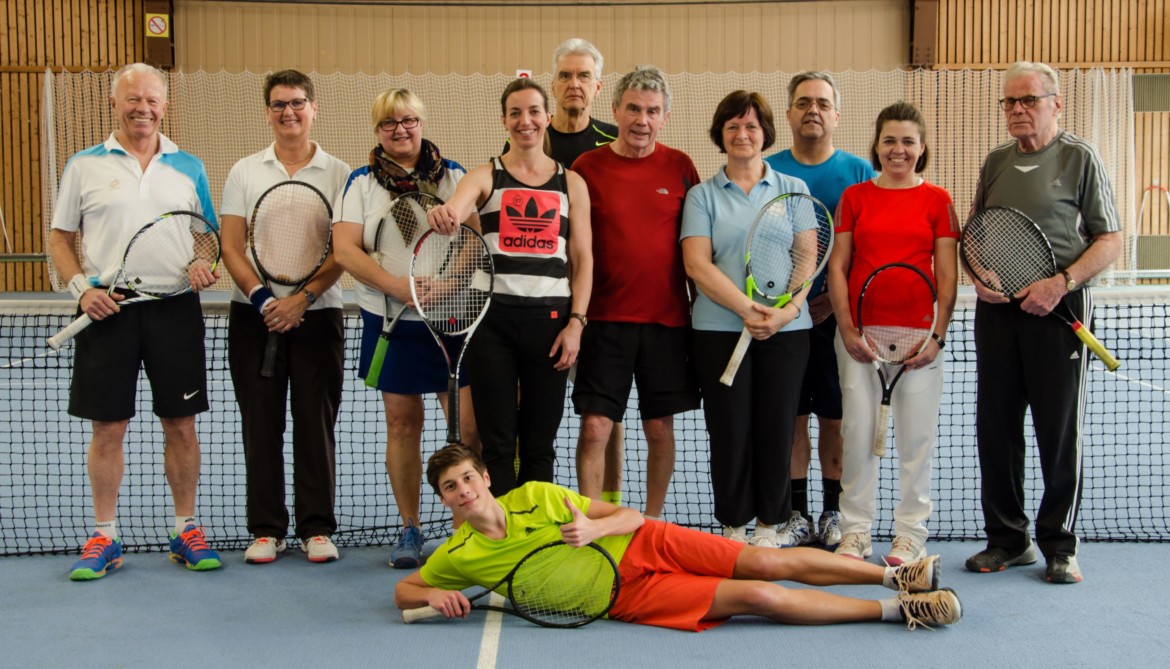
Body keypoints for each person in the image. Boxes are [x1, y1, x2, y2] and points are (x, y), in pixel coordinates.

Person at [394, 444, 962, 631]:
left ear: (486, 478)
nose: (464, 490)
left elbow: (632, 515)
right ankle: (896, 610)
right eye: (450, 487)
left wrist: (593, 525)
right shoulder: (457, 556)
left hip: (646, 544)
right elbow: (405, 591)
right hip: (623, 598)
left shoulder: (537, 494)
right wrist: (429, 594)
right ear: (443, 500)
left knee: (764, 563)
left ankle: (894, 574)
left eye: (468, 477)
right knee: (759, 598)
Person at [47, 63, 222, 580]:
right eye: (132, 99)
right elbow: (60, 238)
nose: (142, 107)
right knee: (108, 428)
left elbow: (208, 237)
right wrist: (83, 291)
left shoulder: (188, 165)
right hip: (108, 311)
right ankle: (105, 535)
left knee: (182, 425)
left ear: (165, 106)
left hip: (174, 310)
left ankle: (185, 528)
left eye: (151, 99)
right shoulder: (83, 165)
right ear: (114, 103)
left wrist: (203, 264)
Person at [965, 61, 1122, 584]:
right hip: (998, 314)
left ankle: (1059, 544)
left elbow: (1110, 239)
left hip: (1060, 312)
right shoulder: (995, 162)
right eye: (1009, 102)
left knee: (1057, 431)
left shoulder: (1080, 158)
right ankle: (1008, 541)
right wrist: (982, 275)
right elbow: (977, 233)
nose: (1017, 110)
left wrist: (1061, 283)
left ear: (1056, 103)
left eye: (1028, 100)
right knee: (996, 428)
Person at [334, 88, 480, 569]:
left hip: (450, 317)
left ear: (421, 122)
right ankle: (410, 527)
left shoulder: (454, 176)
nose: (400, 130)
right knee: (402, 423)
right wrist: (397, 285)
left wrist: (447, 285)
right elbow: (346, 250)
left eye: (408, 120)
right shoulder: (360, 183)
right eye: (388, 123)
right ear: (377, 130)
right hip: (391, 319)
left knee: (464, 429)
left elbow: (473, 242)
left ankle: (465, 529)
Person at [427, 78, 593, 497]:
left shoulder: (571, 183)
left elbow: (584, 259)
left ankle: (534, 538)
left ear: (547, 117)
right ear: (504, 120)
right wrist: (448, 213)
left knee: (540, 446)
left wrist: (576, 323)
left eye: (534, 111)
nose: (526, 121)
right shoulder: (486, 176)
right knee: (497, 446)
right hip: (492, 325)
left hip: (551, 326)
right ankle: (503, 536)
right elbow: (461, 204)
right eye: (516, 113)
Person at [219, 70, 350, 565]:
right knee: (261, 423)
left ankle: (316, 528)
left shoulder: (340, 173)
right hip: (254, 318)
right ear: (267, 111)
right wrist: (261, 299)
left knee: (316, 425)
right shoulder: (245, 171)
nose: (288, 112)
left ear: (314, 108)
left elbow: (346, 249)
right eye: (278, 104)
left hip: (319, 317)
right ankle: (266, 529)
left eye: (297, 103)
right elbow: (231, 245)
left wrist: (303, 299)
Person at [826, 101, 958, 566]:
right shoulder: (855, 198)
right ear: (876, 145)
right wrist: (847, 329)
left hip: (920, 339)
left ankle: (909, 535)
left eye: (907, 141)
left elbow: (946, 275)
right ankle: (855, 531)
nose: (897, 150)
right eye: (889, 140)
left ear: (922, 148)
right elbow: (838, 269)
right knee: (858, 434)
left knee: (915, 440)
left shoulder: (938, 200)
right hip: (862, 338)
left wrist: (936, 337)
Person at [681, 91, 813, 548]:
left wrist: (785, 312)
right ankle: (735, 525)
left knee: (777, 426)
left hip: (786, 333)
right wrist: (746, 309)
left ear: (765, 134)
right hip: (719, 331)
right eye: (733, 126)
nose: (743, 134)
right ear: (721, 133)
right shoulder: (701, 195)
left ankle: (770, 526)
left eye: (752, 126)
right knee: (730, 429)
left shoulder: (793, 190)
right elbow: (697, 264)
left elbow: (807, 256)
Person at [571, 66, 700, 520]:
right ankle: (594, 521)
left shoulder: (681, 166)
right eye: (633, 109)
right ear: (615, 110)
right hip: (603, 323)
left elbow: (696, 246)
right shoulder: (586, 167)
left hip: (668, 325)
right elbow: (574, 249)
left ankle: (650, 523)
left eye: (652, 111)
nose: (642, 120)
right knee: (594, 429)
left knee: (659, 429)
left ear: (665, 117)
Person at [765, 71, 876, 549]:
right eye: (803, 102)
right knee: (790, 416)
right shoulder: (768, 171)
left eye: (822, 103)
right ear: (789, 113)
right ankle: (795, 513)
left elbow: (870, 249)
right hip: (785, 322)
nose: (813, 109)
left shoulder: (858, 174)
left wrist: (835, 300)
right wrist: (788, 303)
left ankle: (834, 512)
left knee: (836, 418)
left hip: (839, 322)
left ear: (836, 114)